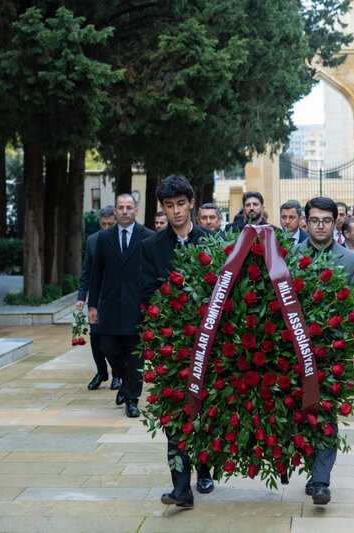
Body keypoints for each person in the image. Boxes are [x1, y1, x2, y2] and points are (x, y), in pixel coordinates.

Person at [140, 174, 215, 508]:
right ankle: (180, 487)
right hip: (172, 345)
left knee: (206, 410)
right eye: (169, 206)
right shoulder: (151, 247)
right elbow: (146, 295)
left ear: (191, 203)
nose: (175, 212)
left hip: (211, 344)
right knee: (175, 412)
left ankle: (205, 467)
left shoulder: (212, 241)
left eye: (180, 204)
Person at [295, 196, 354, 506]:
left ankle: (321, 479)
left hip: (332, 352)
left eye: (326, 220)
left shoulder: (349, 260)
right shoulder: (292, 256)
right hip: (295, 351)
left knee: (325, 411)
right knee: (300, 412)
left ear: (335, 222)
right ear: (305, 222)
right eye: (314, 220)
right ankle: (310, 469)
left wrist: (338, 328)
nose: (320, 225)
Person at [88, 194, 155, 418]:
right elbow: (96, 274)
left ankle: (132, 400)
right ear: (115, 212)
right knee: (108, 347)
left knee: (136, 355)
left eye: (129, 207)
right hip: (110, 306)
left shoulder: (148, 237)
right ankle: (126, 382)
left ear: (136, 210)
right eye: (120, 207)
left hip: (137, 307)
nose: (124, 211)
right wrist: (92, 306)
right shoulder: (104, 238)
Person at [77, 205, 121, 391]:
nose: (106, 227)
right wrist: (82, 297)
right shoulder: (93, 240)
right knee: (96, 337)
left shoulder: (124, 239)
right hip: (99, 298)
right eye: (103, 224)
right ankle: (102, 372)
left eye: (110, 224)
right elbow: (86, 271)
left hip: (119, 298)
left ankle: (118, 374)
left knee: (116, 338)